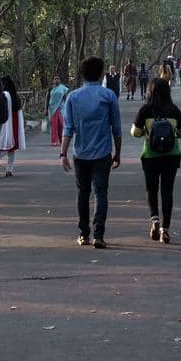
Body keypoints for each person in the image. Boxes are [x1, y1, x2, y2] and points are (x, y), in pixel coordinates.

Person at [59, 56, 122, 249]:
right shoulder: (108, 96)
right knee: (101, 192)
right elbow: (116, 128)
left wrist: (63, 154)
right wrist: (117, 153)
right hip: (103, 153)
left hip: (81, 153)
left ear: (82, 74)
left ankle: (84, 234)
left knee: (83, 192)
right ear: (100, 73)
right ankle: (99, 235)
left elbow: (68, 128)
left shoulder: (73, 97)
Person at [130, 77, 181, 243]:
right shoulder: (174, 110)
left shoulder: (145, 110)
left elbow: (135, 132)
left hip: (150, 155)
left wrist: (147, 133)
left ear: (150, 91)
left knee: (151, 189)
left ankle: (154, 219)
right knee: (167, 191)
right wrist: (173, 133)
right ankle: (165, 228)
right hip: (171, 156)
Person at [0, 74, 26, 175]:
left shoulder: (4, 95)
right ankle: (9, 169)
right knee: (11, 149)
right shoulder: (15, 97)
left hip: (5, 123)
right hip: (14, 124)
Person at [48, 75, 70, 148]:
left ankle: (61, 140)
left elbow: (66, 98)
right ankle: (54, 141)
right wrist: (45, 109)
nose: (56, 80)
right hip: (52, 109)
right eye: (55, 79)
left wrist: (67, 108)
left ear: (60, 80)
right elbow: (47, 98)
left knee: (61, 125)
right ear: (53, 80)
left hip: (61, 108)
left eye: (58, 78)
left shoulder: (63, 88)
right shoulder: (50, 88)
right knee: (54, 125)